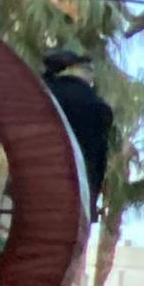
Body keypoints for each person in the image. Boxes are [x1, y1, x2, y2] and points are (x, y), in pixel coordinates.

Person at [42, 50, 113, 218]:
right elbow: (98, 161)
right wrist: (92, 203)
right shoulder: (99, 108)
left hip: (38, 181)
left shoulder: (44, 94)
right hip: (76, 190)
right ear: (86, 73)